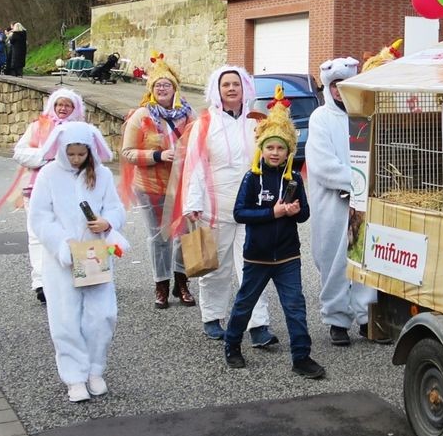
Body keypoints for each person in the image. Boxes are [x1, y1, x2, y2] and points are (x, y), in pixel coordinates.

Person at [223, 85, 324, 379]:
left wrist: (293, 211)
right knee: (244, 304)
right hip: (257, 256)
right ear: (262, 149)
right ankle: (232, 347)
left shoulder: (293, 178)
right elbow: (240, 213)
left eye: (280, 148)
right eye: (270, 147)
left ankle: (301, 357)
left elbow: (304, 215)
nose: (275, 152)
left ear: (289, 150)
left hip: (288, 256)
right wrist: (273, 212)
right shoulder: (251, 178)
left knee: (295, 308)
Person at [171, 65, 277, 344]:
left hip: (251, 207)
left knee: (253, 266)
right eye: (226, 85)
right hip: (213, 206)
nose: (231, 89)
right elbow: (194, 165)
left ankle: (258, 325)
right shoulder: (205, 123)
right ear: (216, 90)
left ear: (245, 89)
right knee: (215, 267)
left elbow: (271, 160)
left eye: (236, 84)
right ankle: (212, 317)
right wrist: (192, 203)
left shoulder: (258, 121)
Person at [28, 121, 130, 403]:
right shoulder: (48, 175)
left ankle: (95, 369)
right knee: (65, 317)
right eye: (70, 154)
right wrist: (62, 244)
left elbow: (115, 206)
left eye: (80, 154)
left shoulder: (102, 175)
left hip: (95, 252)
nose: (75, 160)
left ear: (89, 150)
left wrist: (107, 221)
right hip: (63, 257)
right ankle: (74, 375)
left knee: (102, 314)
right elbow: (39, 216)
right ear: (62, 150)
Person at [308, 57, 381, 346]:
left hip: (363, 202)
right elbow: (323, 164)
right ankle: (337, 319)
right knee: (334, 259)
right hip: (333, 203)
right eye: (335, 86)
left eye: (344, 84)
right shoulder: (320, 118)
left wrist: (365, 186)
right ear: (329, 87)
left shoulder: (364, 116)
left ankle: (366, 317)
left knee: (364, 255)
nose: (339, 90)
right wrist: (356, 182)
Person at [119, 51, 196, 309]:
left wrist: (189, 153)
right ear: (151, 90)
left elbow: (201, 144)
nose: (162, 89)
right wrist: (159, 154)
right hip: (151, 186)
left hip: (182, 185)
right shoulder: (141, 116)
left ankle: (181, 281)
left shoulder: (188, 115)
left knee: (184, 234)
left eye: (167, 85)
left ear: (175, 88)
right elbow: (127, 153)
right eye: (158, 85)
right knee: (159, 237)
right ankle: (160, 284)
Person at [0, 88, 87, 303]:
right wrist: (46, 157)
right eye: (59, 104)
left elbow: (94, 157)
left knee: (75, 233)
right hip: (38, 190)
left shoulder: (82, 130)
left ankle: (78, 276)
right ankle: (41, 282)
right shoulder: (38, 127)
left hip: (72, 192)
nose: (63, 109)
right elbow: (20, 152)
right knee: (38, 236)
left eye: (68, 105)